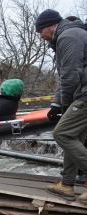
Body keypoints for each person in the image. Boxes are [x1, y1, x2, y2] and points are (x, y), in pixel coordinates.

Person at [35, 9, 87, 203]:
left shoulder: (68, 37)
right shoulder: (69, 35)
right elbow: (64, 76)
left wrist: (66, 107)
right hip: (82, 92)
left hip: (85, 94)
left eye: (40, 31)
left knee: (62, 134)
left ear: (50, 26)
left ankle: (68, 183)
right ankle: (67, 184)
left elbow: (70, 76)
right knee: (74, 138)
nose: (40, 36)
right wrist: (56, 104)